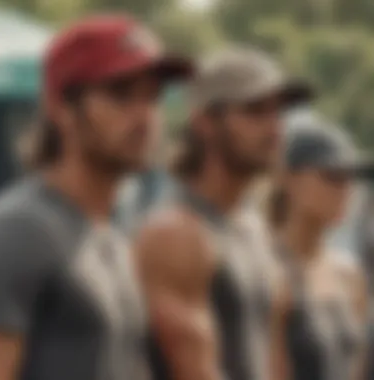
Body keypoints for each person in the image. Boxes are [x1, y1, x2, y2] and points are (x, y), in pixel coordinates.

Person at [0, 14, 192, 380]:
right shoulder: (19, 231)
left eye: (153, 96)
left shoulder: (112, 237)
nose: (145, 115)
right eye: (121, 94)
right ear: (60, 108)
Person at [134, 47, 313, 380]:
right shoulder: (175, 232)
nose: (274, 129)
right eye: (255, 111)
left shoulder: (255, 227)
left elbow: (273, 362)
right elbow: (194, 371)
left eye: (278, 112)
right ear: (205, 121)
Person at [268, 123, 370, 380]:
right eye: (332, 177)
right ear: (289, 178)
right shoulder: (268, 269)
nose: (345, 190)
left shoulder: (349, 276)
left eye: (349, 179)